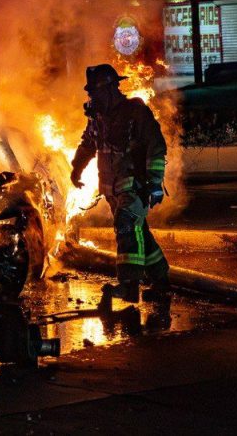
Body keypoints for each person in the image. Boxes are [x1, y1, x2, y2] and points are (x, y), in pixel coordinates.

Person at [70, 63, 169, 302]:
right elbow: (88, 144)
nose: (91, 97)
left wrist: (155, 183)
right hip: (112, 189)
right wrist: (77, 168)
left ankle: (129, 285)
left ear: (111, 88)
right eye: (90, 93)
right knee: (139, 233)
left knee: (125, 227)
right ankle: (161, 280)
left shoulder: (135, 112)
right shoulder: (98, 117)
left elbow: (156, 147)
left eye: (94, 91)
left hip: (135, 184)